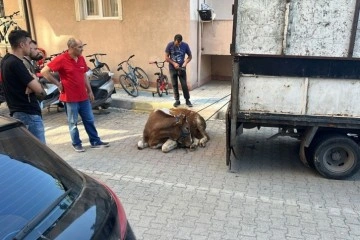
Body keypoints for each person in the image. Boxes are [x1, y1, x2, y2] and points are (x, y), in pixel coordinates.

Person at [41, 37, 109, 152]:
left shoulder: (81, 59)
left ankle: (95, 141)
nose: (82, 50)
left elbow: (84, 75)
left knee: (89, 120)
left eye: (82, 47)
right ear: (71, 48)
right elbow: (44, 71)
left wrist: (90, 91)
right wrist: (58, 84)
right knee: (73, 123)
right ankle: (76, 143)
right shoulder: (61, 59)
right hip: (70, 98)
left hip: (83, 97)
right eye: (80, 47)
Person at [0, 30, 47, 143]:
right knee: (40, 153)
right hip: (28, 113)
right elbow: (39, 89)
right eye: (29, 42)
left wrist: (32, 82)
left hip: (18, 112)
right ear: (22, 44)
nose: (31, 46)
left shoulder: (6, 60)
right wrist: (34, 79)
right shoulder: (17, 64)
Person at [165, 34, 193, 107]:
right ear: (174, 41)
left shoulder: (185, 45)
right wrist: (174, 63)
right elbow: (166, 58)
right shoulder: (169, 45)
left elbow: (190, 56)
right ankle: (177, 100)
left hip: (182, 68)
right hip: (172, 68)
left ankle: (187, 100)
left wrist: (185, 62)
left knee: (184, 85)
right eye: (177, 43)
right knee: (174, 84)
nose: (178, 45)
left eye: (179, 43)